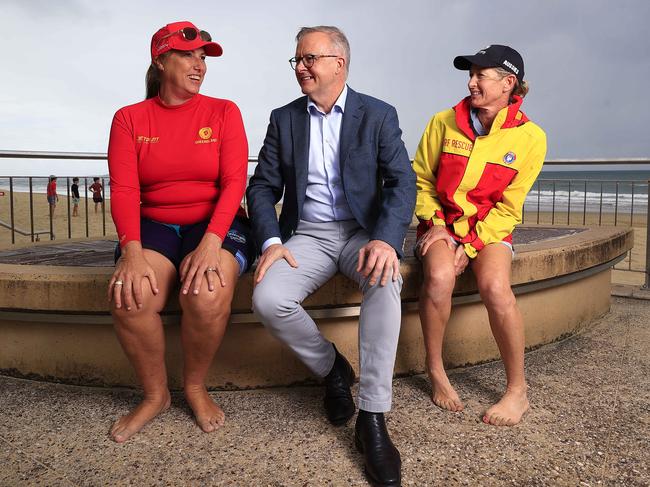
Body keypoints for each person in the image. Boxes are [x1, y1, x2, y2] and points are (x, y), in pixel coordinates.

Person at [247, 26, 415, 486]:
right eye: (296, 60)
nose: (300, 67)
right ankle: (332, 366)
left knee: (385, 280)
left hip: (363, 233)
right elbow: (262, 187)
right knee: (267, 299)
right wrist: (271, 243)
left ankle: (374, 417)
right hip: (309, 235)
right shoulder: (284, 119)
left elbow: (403, 182)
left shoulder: (377, 114)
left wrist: (385, 239)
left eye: (309, 59)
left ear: (338, 64)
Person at [107, 20, 253, 443]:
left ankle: (193, 385)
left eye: (203, 57)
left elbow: (233, 184)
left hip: (214, 222)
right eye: (188, 55)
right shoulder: (129, 119)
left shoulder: (224, 111)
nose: (199, 65)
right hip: (155, 224)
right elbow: (124, 189)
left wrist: (211, 245)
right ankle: (155, 395)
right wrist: (131, 252)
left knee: (206, 291)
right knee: (129, 295)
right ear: (160, 59)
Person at [413, 44, 547, 426]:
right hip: (441, 223)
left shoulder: (531, 137)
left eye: (480, 75)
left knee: (495, 287)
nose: (471, 82)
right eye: (469, 74)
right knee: (439, 277)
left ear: (508, 83)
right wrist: (436, 223)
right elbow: (421, 179)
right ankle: (436, 370)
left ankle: (517, 391)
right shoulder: (443, 121)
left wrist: (471, 245)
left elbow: (509, 207)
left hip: (489, 230)